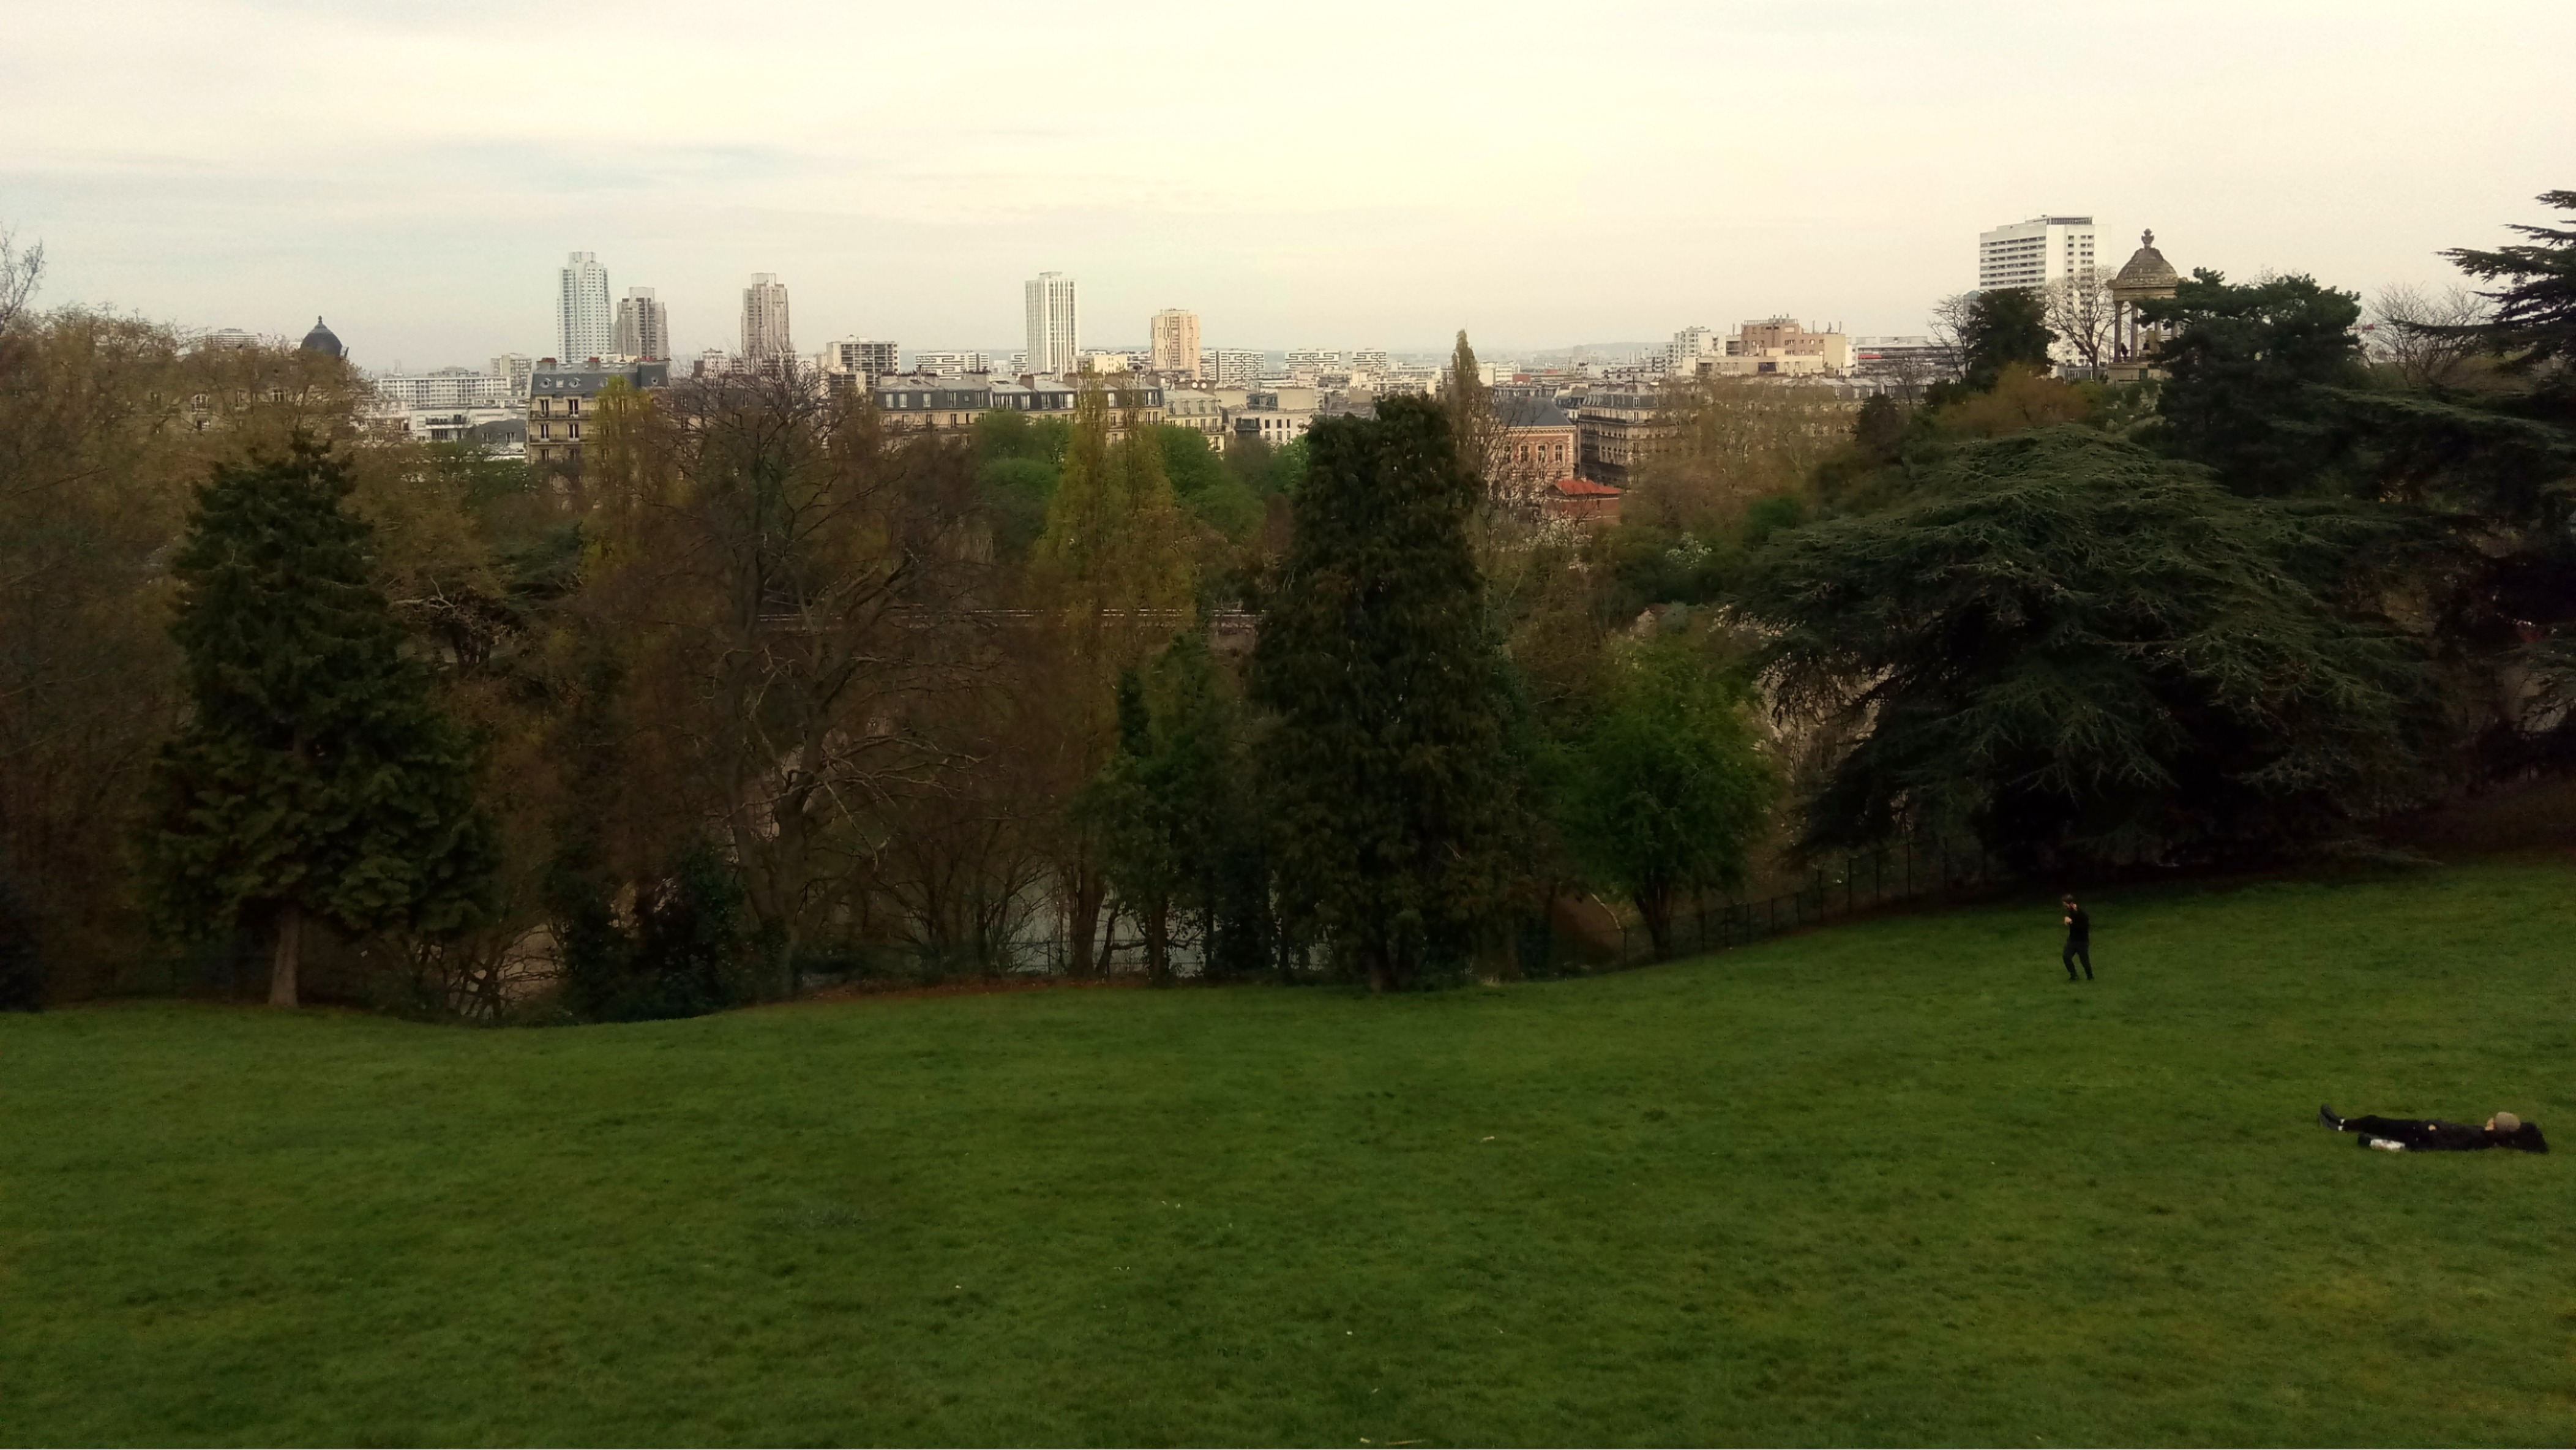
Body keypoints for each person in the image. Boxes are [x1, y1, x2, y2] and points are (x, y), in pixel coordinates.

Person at [2319, 1105, 2549, 1152]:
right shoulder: (2483, 1135)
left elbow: (2450, 1143)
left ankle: (2340, 1126)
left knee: (2378, 1123)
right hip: (2423, 1129)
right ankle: (2342, 1123)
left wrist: (2432, 1130)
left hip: (2422, 1133)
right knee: (2379, 1123)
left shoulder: (2480, 1139)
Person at [2060, 894, 2093, 982]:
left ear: (2071, 904)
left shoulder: (2083, 915)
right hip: (2072, 940)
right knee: (2066, 957)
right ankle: (2074, 975)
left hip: (2082, 942)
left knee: (2084, 961)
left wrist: (2071, 922)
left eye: (2066, 905)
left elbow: (2082, 928)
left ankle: (2090, 977)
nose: (2065, 907)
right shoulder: (2072, 912)